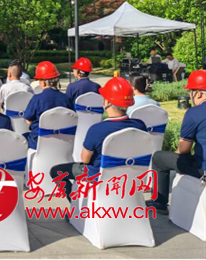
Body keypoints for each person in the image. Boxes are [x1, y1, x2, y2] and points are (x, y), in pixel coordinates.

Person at [49, 77, 147, 202]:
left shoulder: (97, 129)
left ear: (107, 102)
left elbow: (85, 159)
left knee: (56, 171)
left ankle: (75, 204)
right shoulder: (140, 126)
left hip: (98, 175)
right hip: (131, 176)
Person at [146, 71, 206, 214]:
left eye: (190, 92)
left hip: (202, 169)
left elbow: (183, 149)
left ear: (198, 93)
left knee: (159, 158)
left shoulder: (194, 113)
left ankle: (160, 202)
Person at [23, 61, 74, 150]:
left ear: (43, 82)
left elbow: (28, 121)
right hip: (63, 142)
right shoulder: (67, 99)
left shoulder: (37, 99)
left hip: (38, 142)